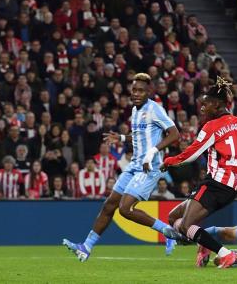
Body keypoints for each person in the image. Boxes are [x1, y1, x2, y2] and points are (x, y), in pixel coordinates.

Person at [162, 77, 237, 268]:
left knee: (185, 226)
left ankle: (226, 254)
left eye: (206, 104)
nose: (202, 108)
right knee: (173, 217)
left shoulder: (212, 127)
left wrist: (168, 161)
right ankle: (201, 242)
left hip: (215, 184)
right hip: (231, 189)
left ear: (217, 105)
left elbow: (190, 155)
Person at [63, 73, 182, 262]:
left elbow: (174, 134)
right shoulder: (135, 111)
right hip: (135, 164)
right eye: (134, 89)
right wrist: (120, 138)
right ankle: (86, 246)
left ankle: (166, 231)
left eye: (141, 90)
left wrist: (153, 151)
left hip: (149, 166)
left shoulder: (155, 109)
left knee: (125, 209)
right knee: (109, 205)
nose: (136, 93)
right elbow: (139, 136)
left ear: (148, 92)